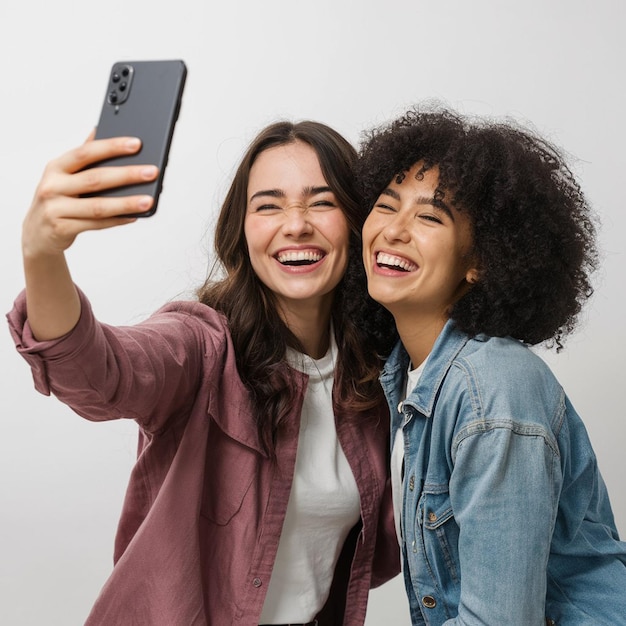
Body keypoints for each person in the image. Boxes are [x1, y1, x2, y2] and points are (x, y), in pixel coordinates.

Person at [7, 120, 400, 625]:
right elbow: (99, 372)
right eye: (269, 205)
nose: (296, 224)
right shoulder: (201, 345)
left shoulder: (376, 377)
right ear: (242, 228)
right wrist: (43, 253)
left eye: (321, 202)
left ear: (357, 221)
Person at [357, 105, 626, 625]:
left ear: (480, 260)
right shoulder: (408, 374)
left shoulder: (493, 388)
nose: (394, 230)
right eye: (387, 206)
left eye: (430, 217)